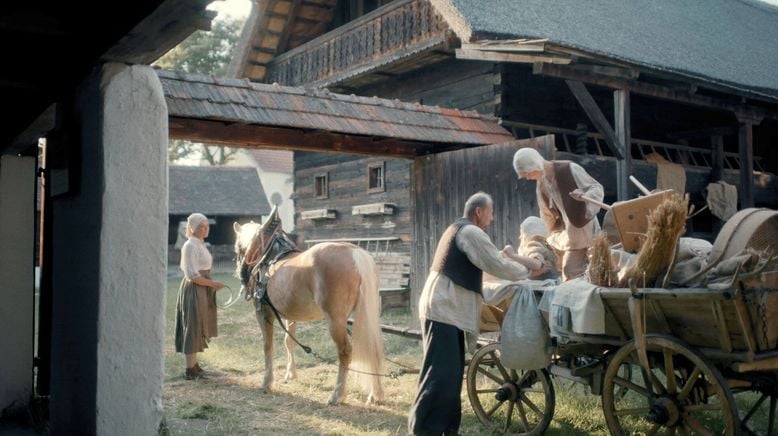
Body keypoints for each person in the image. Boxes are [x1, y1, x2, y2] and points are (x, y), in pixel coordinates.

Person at [408, 192, 529, 436]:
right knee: (440, 376)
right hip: (442, 309)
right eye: (491, 212)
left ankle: (447, 430)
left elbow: (484, 268)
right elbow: (496, 263)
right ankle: (423, 431)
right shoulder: (470, 232)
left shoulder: (459, 228)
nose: (492, 218)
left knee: (451, 376)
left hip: (445, 308)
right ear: (479, 212)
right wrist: (527, 270)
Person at [513, 148, 604, 281]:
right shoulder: (542, 183)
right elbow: (546, 214)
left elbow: (597, 188)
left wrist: (585, 195)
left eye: (527, 173)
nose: (527, 178)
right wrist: (546, 237)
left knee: (575, 271)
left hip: (586, 228)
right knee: (570, 272)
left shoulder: (569, 169)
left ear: (534, 166)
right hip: (569, 235)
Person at [174, 213, 225, 380]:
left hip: (202, 287)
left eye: (206, 226)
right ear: (191, 229)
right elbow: (193, 276)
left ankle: (194, 365)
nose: (205, 229)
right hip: (194, 288)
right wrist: (212, 284)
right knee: (193, 325)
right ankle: (189, 369)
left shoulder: (200, 245)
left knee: (199, 324)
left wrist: (210, 285)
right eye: (200, 227)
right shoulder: (190, 246)